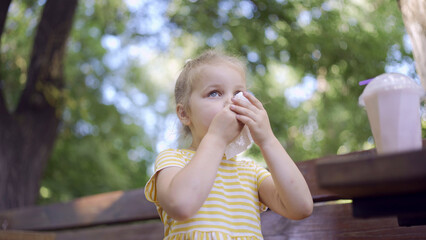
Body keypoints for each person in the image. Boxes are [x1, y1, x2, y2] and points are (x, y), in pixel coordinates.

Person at [145, 50, 313, 239]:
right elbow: (181, 205)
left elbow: (301, 207)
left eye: (238, 93)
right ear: (184, 114)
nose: (231, 102)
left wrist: (267, 140)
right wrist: (216, 138)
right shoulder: (174, 160)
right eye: (214, 93)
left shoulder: (251, 172)